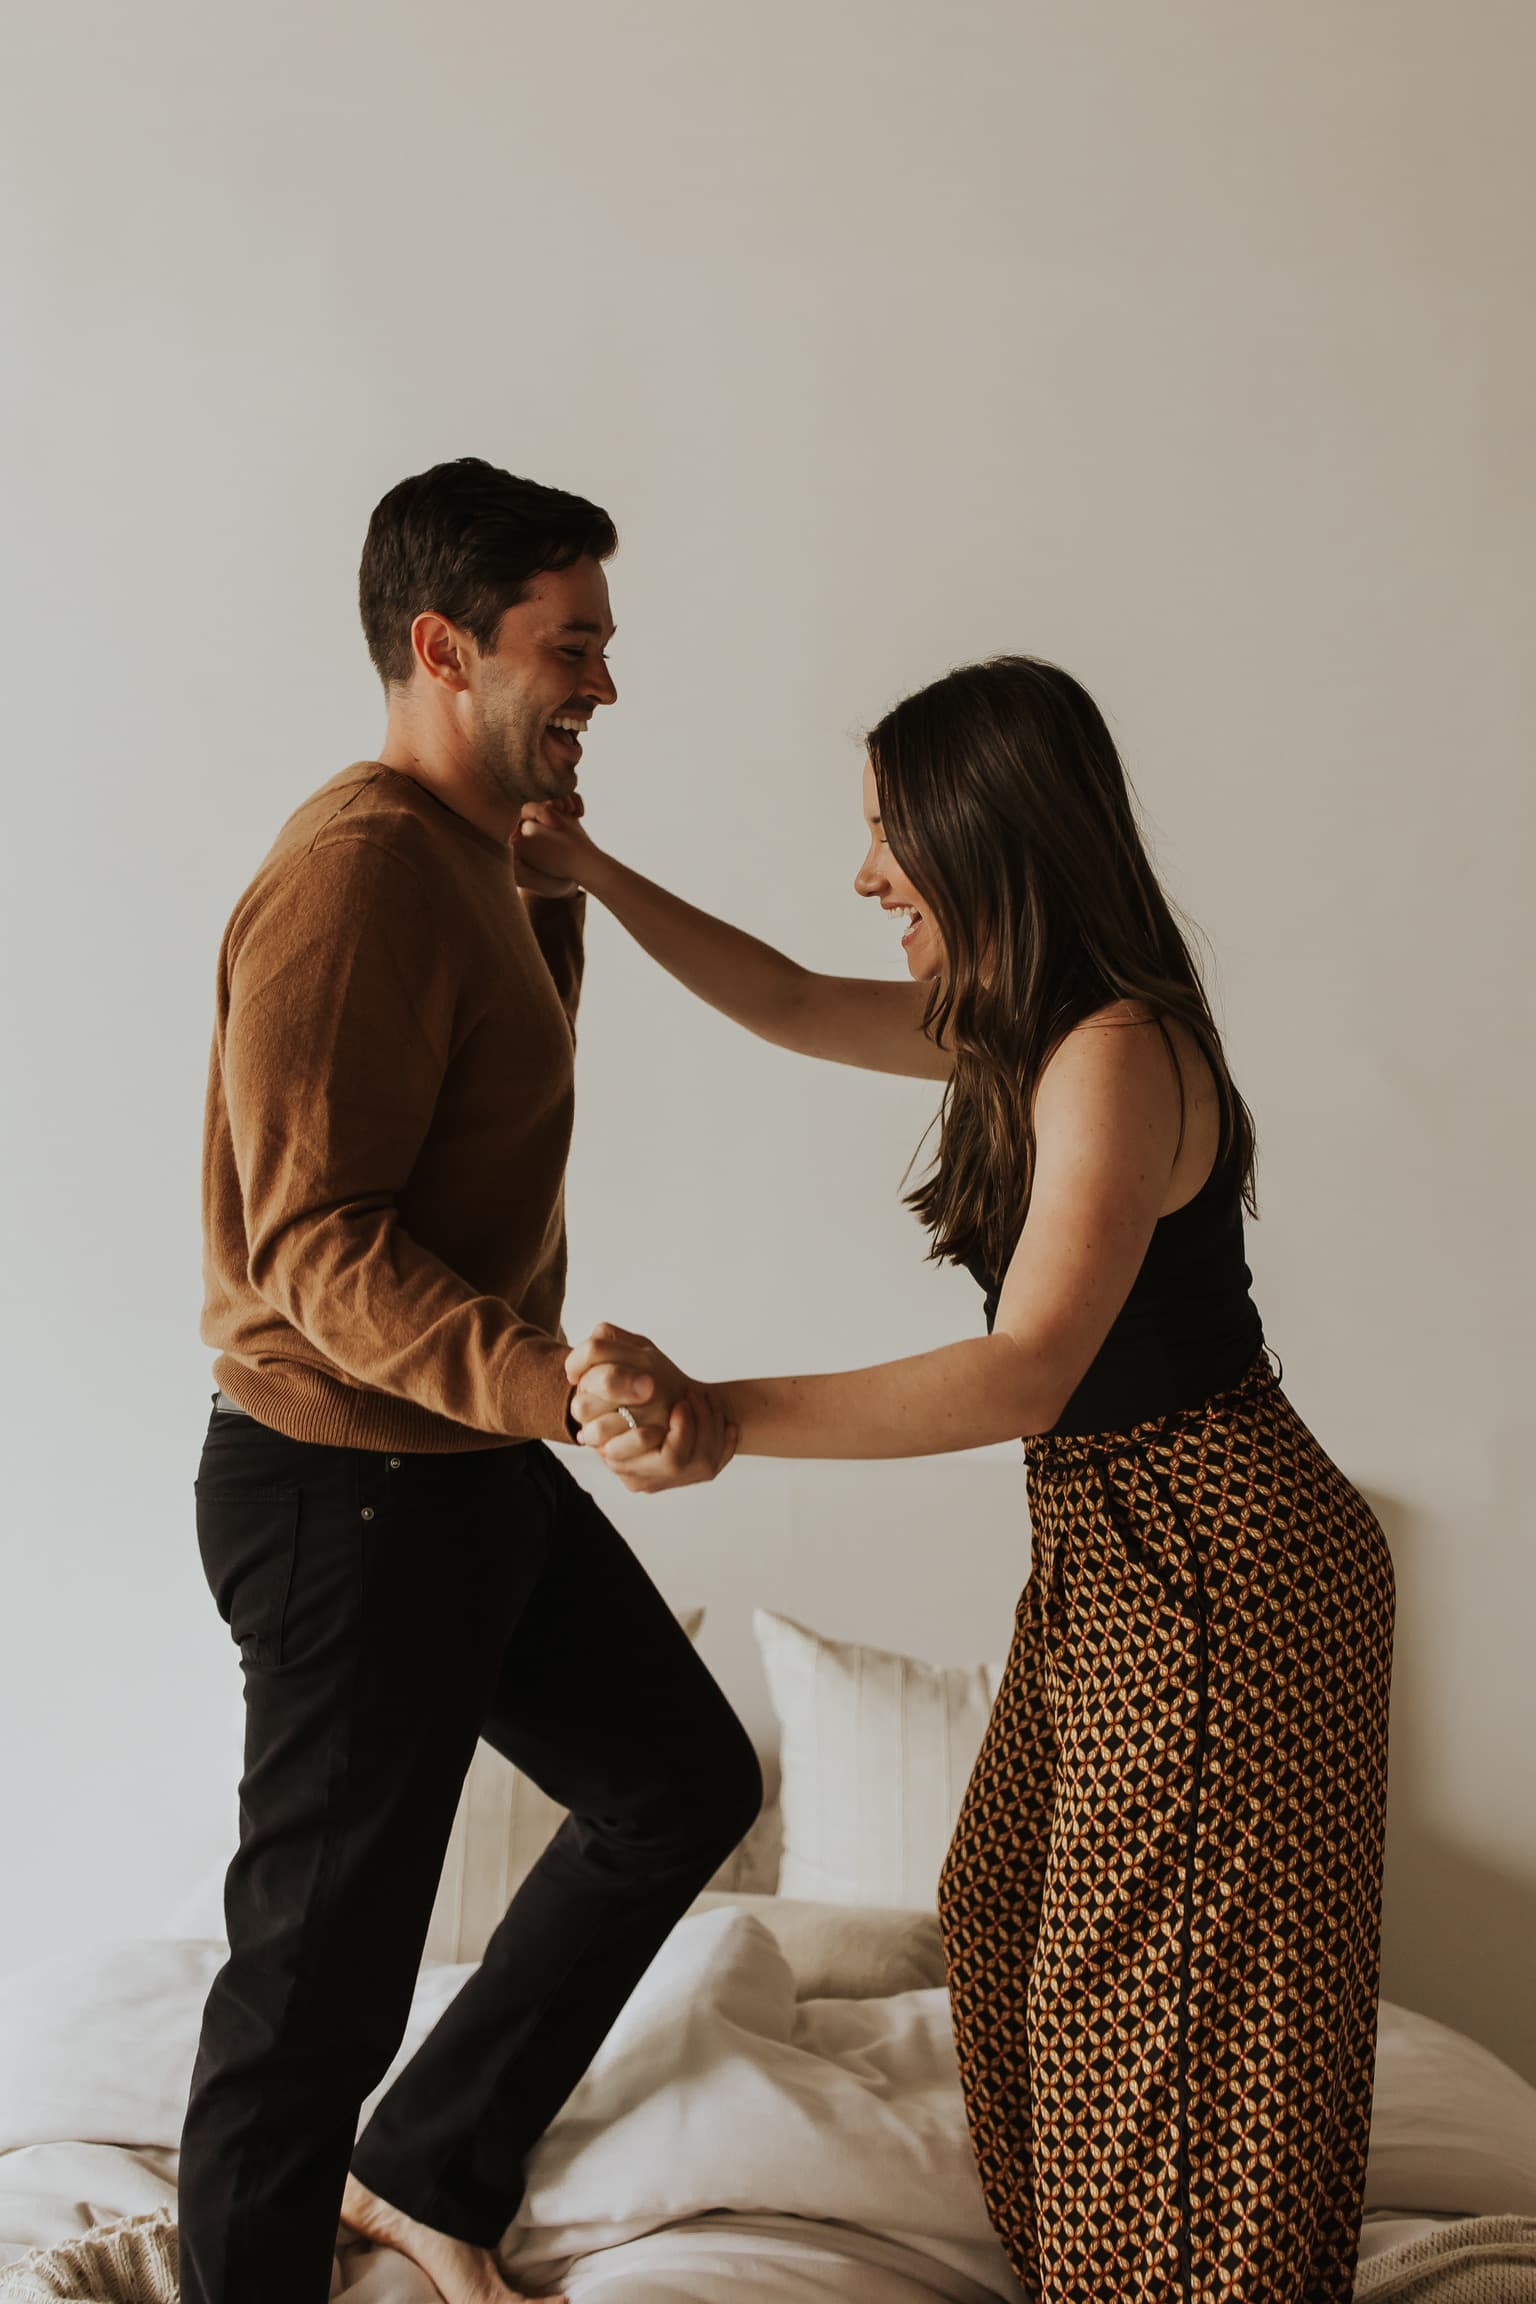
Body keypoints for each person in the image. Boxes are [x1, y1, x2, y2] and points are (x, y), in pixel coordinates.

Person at [516, 654, 1395, 2304]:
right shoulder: (1029, 1022)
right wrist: (588, 868)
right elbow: (782, 998)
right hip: (1125, 1548)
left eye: (889, 836)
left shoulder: (1115, 1053)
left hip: (1218, 1560)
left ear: (989, 835)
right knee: (997, 1919)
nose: (866, 875)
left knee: (1172, 2015)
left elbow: (1027, 1370)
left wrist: (719, 1413)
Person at [180, 456, 757, 2304]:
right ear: (445, 647)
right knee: (313, 1985)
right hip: (345, 1489)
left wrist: (562, 888)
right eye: (568, 646)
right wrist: (552, 1384)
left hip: (456, 1472)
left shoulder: (480, 859)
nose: (602, 685)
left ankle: (425, 2162)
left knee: (675, 1780)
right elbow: (313, 1243)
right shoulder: (355, 878)